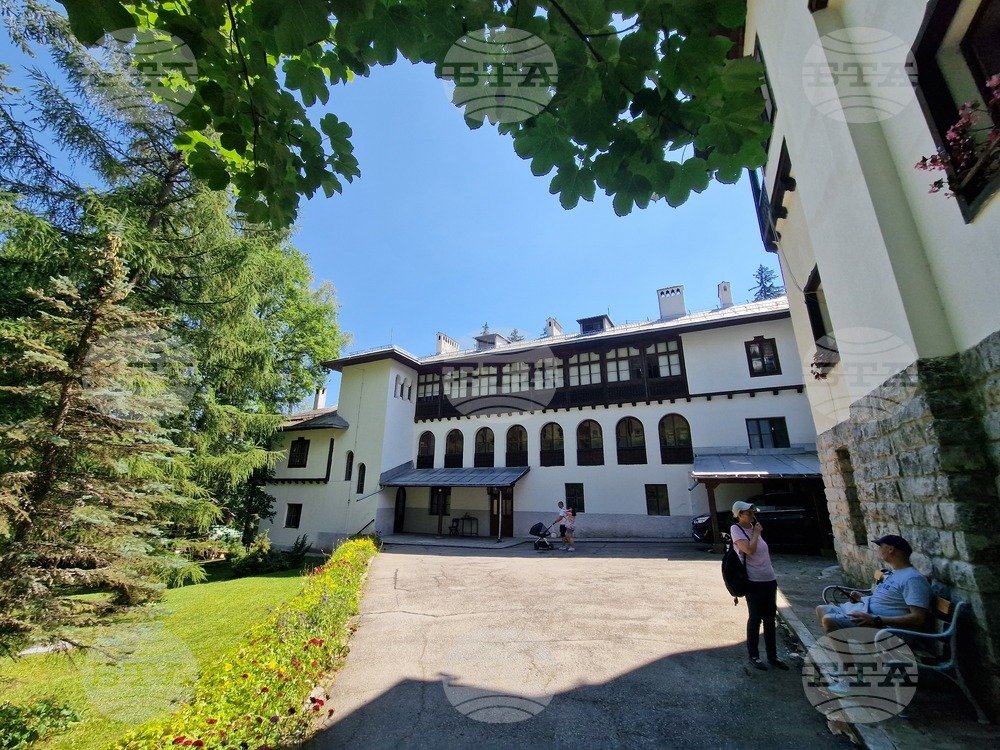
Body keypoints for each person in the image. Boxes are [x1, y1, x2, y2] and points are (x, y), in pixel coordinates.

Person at [815, 534, 931, 634]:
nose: (878, 550)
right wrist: (862, 597)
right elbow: (886, 599)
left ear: (891, 549)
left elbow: (918, 618)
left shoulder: (912, 578)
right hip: (868, 614)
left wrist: (876, 619)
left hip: (888, 627)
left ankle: (845, 653)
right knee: (821, 609)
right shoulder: (895, 573)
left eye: (881, 547)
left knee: (829, 620)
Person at [731, 500, 788, 671]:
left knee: (770, 618)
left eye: (752, 512)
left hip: (768, 579)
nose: (752, 515)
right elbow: (749, 550)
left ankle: (773, 656)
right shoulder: (737, 529)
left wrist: (756, 532)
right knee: (755, 618)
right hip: (753, 581)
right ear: (740, 515)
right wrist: (755, 534)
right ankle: (754, 656)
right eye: (748, 513)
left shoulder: (755, 528)